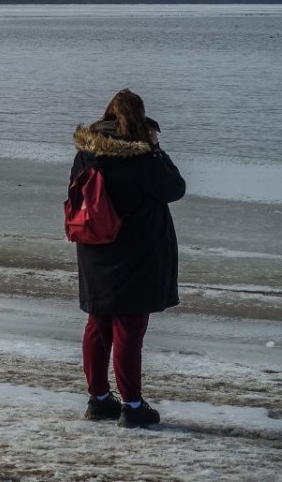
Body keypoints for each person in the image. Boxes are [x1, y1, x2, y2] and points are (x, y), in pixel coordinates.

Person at [70, 89, 186, 428]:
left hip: (94, 248)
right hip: (136, 253)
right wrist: (157, 149)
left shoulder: (86, 154)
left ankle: (99, 399)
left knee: (98, 323)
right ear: (140, 120)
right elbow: (174, 189)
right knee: (129, 329)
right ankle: (133, 406)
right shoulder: (143, 160)